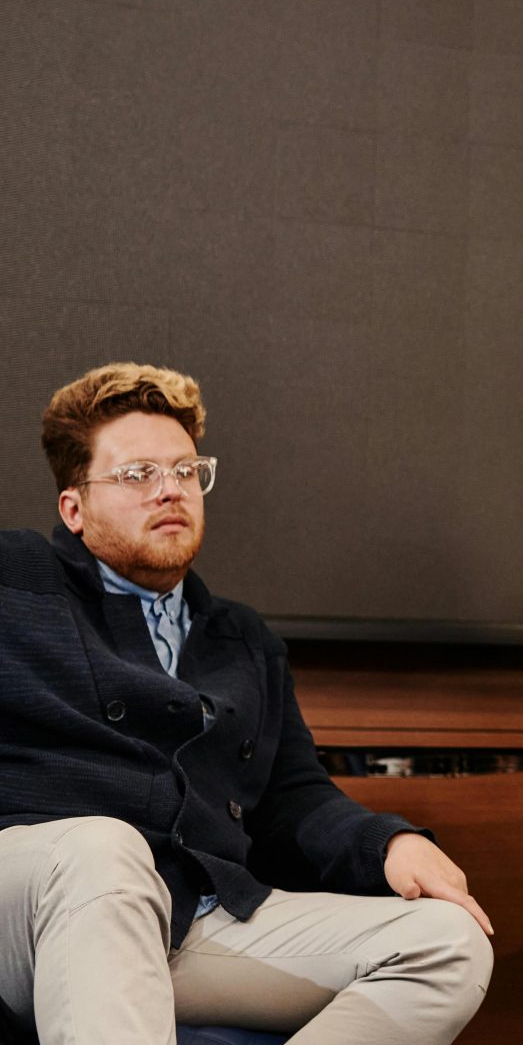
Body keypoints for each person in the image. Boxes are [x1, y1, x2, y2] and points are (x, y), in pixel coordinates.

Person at [0, 363, 493, 1044]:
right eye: (138, 475)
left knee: (449, 942)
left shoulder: (243, 640)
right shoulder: (17, 580)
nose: (169, 490)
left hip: (189, 915)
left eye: (184, 470)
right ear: (74, 509)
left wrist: (387, 843)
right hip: (32, 900)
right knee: (102, 848)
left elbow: (294, 799)